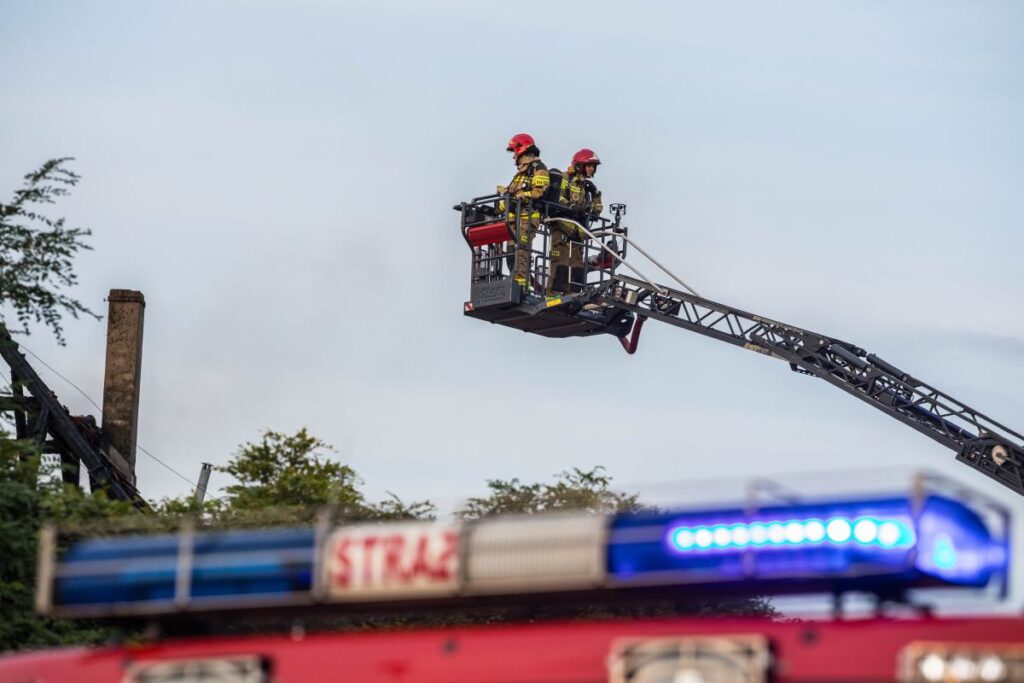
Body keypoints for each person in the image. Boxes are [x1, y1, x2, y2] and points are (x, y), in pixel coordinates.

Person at [498, 133, 549, 289]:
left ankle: (521, 285)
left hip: (528, 216)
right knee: (511, 251)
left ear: (522, 150)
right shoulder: (519, 175)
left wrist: (523, 195)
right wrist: (502, 199)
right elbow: (512, 195)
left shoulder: (538, 168)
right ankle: (515, 281)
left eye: (514, 152)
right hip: (514, 219)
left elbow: (540, 191)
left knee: (521, 249)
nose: (514, 157)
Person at [549, 148, 603, 293]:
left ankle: (573, 295)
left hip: (579, 232)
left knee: (577, 265)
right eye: (589, 165)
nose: (592, 169)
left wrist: (595, 194)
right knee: (561, 262)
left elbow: (596, 210)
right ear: (580, 165)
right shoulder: (566, 178)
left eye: (594, 166)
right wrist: (571, 206)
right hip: (562, 226)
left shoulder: (587, 187)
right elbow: (557, 196)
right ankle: (553, 295)